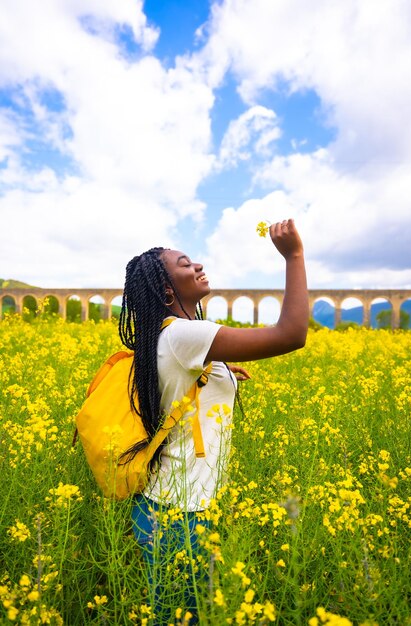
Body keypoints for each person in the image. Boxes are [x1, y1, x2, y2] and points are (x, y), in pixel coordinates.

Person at [118, 219, 308, 624]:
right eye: (185, 263)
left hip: (163, 505)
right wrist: (294, 255)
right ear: (167, 290)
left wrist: (217, 374)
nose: (198, 265)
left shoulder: (166, 336)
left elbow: (177, 380)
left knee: (177, 613)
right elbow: (292, 334)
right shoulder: (186, 336)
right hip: (179, 515)